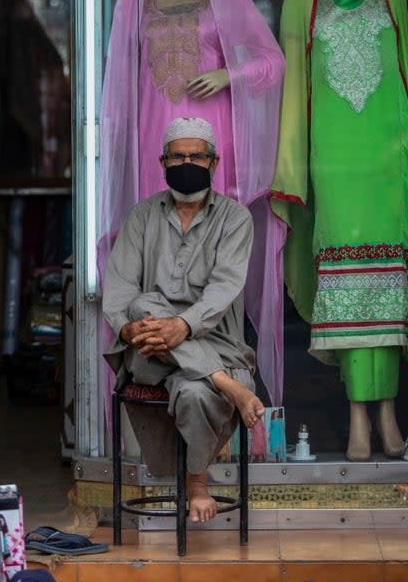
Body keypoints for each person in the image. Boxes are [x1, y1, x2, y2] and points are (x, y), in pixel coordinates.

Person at [271, 0, 408, 461]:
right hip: (335, 167)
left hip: (384, 166)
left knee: (387, 288)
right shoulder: (303, 7)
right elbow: (293, 95)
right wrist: (295, 167)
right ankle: (358, 421)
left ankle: (387, 417)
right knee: (346, 292)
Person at [99, 0, 286, 404]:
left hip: (213, 133)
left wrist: (232, 73)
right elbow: (119, 84)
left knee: (214, 257)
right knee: (152, 250)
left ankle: (222, 390)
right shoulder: (133, 1)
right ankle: (159, 388)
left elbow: (273, 61)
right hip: (151, 141)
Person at [103, 117, 265, 523]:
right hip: (148, 352)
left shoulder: (235, 219)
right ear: (162, 162)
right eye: (178, 156)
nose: (187, 162)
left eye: (196, 155)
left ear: (214, 162)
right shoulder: (142, 217)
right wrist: (128, 328)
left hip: (217, 344)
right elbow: (120, 290)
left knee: (194, 393)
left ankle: (197, 481)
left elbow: (224, 289)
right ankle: (224, 382)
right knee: (141, 306)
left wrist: (183, 326)